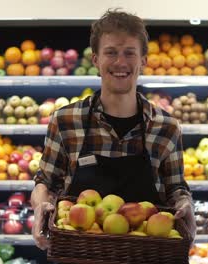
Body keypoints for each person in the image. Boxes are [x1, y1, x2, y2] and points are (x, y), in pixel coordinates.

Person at [31, 8, 196, 252]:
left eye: (129, 53)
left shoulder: (166, 127)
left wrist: (186, 204)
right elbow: (46, 181)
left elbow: (176, 189)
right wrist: (40, 207)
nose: (120, 62)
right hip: (80, 253)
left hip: (146, 254)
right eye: (111, 53)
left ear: (143, 61)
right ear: (96, 60)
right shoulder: (66, 120)